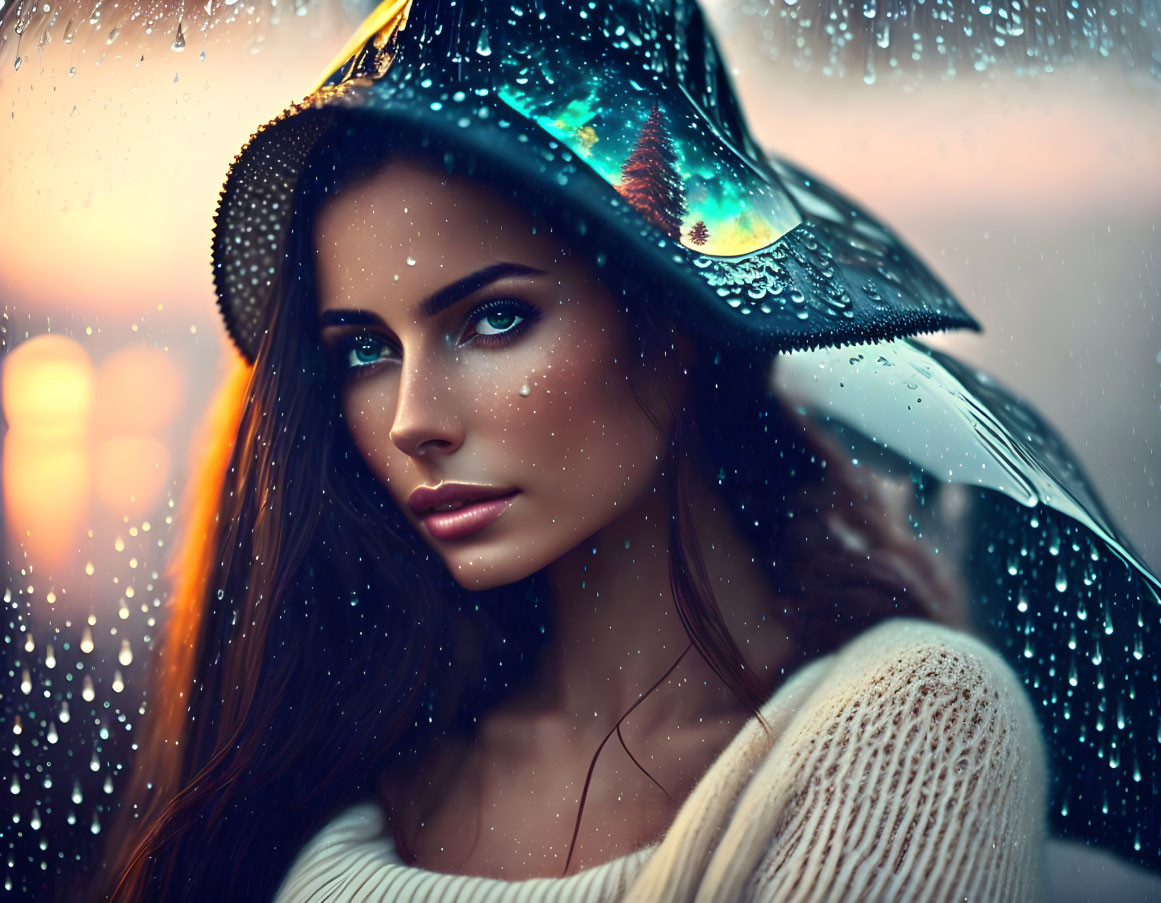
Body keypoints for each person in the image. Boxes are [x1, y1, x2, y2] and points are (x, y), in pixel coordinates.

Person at [97, 0, 1050, 900]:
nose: (408, 419)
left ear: (675, 320)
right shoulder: (352, 761)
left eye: (495, 317)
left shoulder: (911, 725)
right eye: (364, 349)